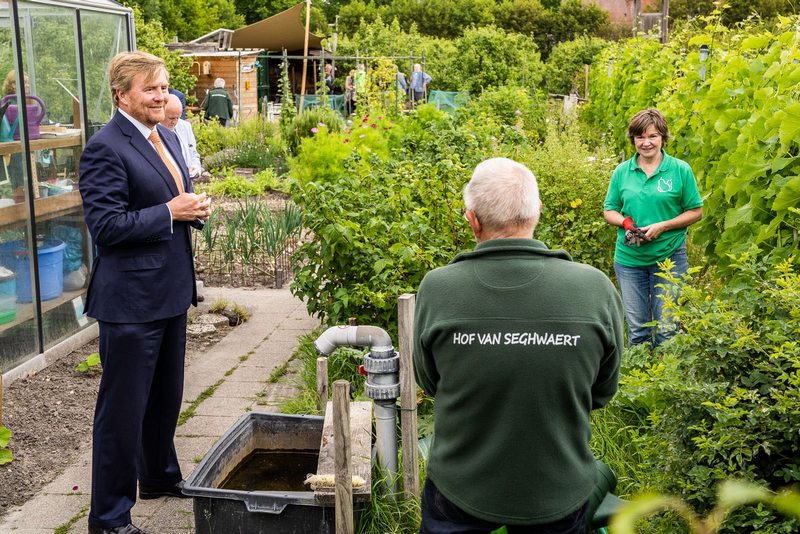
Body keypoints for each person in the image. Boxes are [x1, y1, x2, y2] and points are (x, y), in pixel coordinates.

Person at [414, 157, 623, 534]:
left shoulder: (438, 288)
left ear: (472, 219)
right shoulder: (595, 289)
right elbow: (602, 392)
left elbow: (430, 382)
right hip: (558, 488)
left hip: (461, 486)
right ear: (536, 213)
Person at [79, 50, 211, 534]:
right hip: (130, 301)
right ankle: (109, 518)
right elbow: (106, 227)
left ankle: (158, 476)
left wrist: (192, 209)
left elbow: (169, 203)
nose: (162, 96)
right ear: (122, 95)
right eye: (150, 89)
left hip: (170, 290)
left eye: (165, 87)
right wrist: (170, 212)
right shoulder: (105, 148)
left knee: (164, 398)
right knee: (123, 412)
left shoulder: (168, 137)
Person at [603, 108, 703, 347]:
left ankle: (667, 381)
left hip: (669, 257)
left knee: (667, 329)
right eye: (640, 137)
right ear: (633, 140)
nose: (646, 143)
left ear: (663, 138)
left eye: (653, 136)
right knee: (638, 332)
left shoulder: (680, 170)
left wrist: (664, 226)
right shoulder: (622, 172)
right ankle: (640, 382)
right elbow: (610, 209)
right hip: (630, 259)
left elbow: (695, 211)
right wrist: (626, 223)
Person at [162, 94, 201, 178]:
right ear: (162, 113)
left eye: (178, 117)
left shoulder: (185, 126)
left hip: (188, 181)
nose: (175, 122)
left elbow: (193, 153)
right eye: (171, 118)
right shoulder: (155, 131)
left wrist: (195, 168)